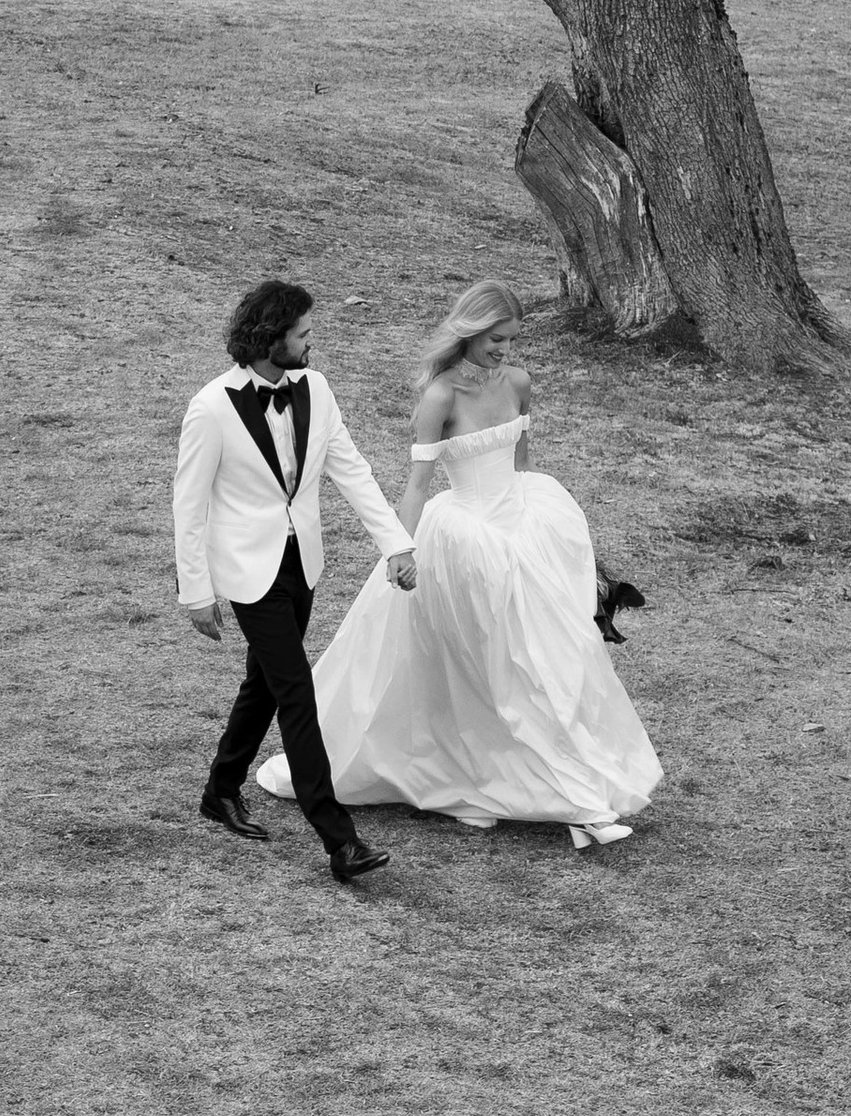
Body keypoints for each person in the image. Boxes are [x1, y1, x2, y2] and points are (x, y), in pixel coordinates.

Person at [257, 278, 661, 851]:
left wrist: (556, 547)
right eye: (496, 339)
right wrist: (399, 548)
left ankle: (541, 791)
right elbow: (417, 486)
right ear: (470, 331)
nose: (505, 350)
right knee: (493, 668)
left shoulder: (518, 382)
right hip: (466, 544)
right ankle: (566, 802)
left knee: (550, 662)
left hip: (523, 535)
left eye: (512, 339)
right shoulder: (441, 396)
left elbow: (522, 465)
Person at [172, 276, 419, 883]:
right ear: (269, 338)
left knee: (264, 684)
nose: (312, 342)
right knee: (296, 692)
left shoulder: (318, 390)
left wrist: (395, 543)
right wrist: (196, 591)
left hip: (300, 562)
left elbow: (352, 471)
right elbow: (189, 505)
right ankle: (340, 840)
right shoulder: (211, 407)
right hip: (247, 572)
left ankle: (220, 789)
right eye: (303, 333)